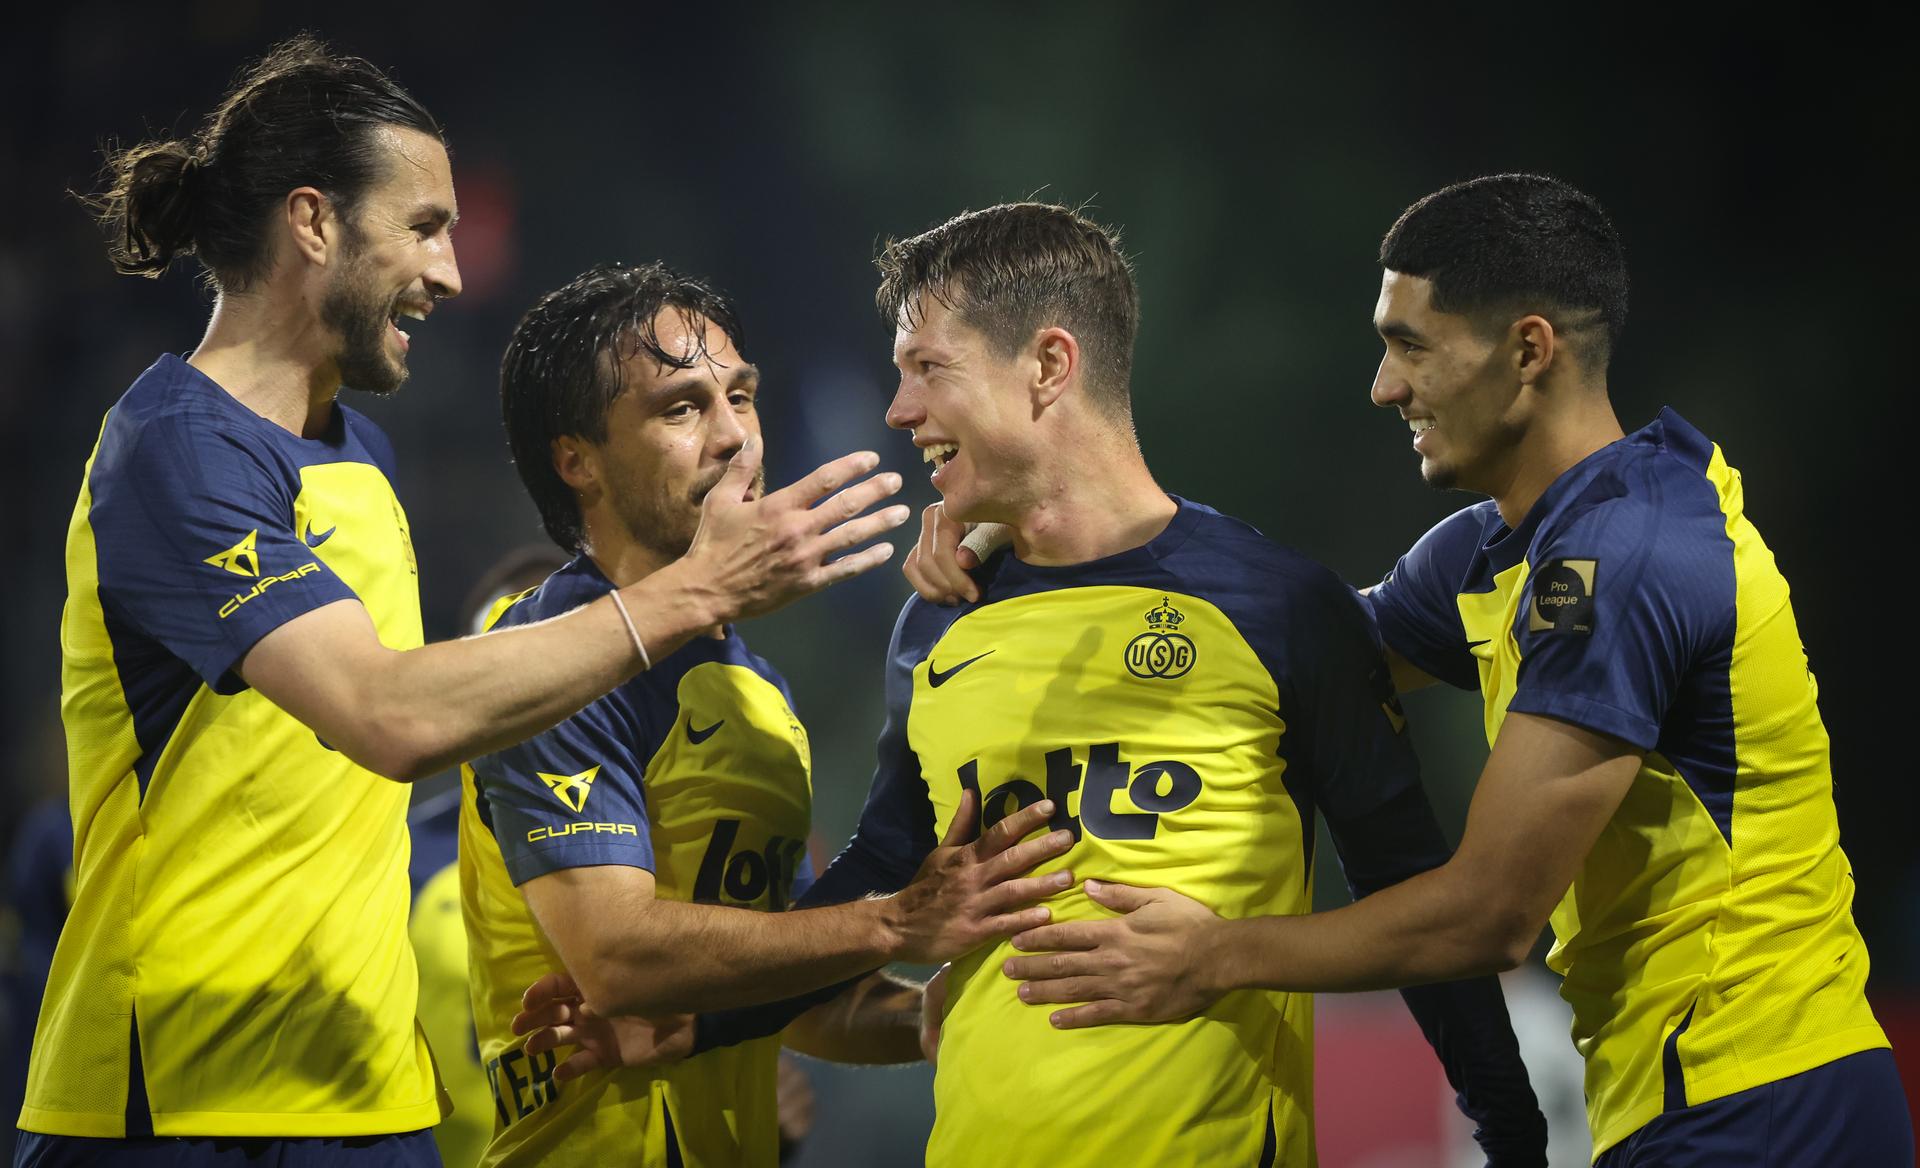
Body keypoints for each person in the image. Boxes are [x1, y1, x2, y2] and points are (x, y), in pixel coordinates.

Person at [20, 36, 910, 1167]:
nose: (449, 271)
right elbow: (390, 718)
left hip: (375, 1098)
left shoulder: (361, 458)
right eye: (424, 226)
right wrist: (691, 591)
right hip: (188, 1102)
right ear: (314, 223)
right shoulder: (174, 449)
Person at [531, 204, 1549, 1166]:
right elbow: (881, 875)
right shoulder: (937, 619)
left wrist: (1513, 1137)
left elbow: (1407, 888)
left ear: (1050, 366)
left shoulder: (1280, 605)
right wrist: (697, 1024)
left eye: (929, 368)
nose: (900, 409)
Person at [987, 175, 1914, 1166]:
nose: (1385, 385)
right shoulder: (1498, 552)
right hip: (1695, 1104)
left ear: (1527, 351)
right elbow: (1268, 662)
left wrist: (1219, 953)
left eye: (1412, 345)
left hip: (1767, 1106)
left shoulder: (1630, 557)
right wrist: (1027, 551)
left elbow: (1490, 914)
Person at [462, 262, 1073, 1166]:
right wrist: (900, 919)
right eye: (681, 409)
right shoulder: (546, 660)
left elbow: (801, 982)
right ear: (575, 458)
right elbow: (618, 959)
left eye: (740, 397)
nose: (735, 439)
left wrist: (962, 1004)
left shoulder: (754, 689)